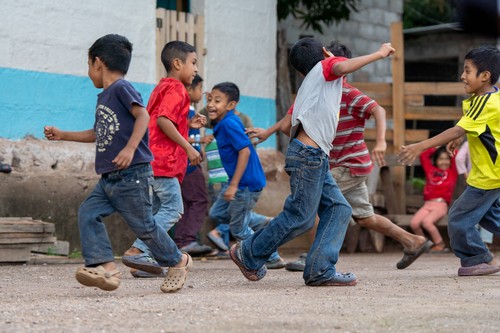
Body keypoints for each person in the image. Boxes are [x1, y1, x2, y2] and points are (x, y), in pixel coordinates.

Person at [230, 37, 395, 286]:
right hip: (310, 156)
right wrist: (379, 53)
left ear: (299, 70)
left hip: (312, 156)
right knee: (301, 217)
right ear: (327, 53)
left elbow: (287, 126)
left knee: (340, 209)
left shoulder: (312, 83)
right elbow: (340, 67)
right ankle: (249, 252)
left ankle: (320, 269)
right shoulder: (326, 67)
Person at [44, 34, 192, 293]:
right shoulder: (104, 97)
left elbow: (143, 116)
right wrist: (63, 134)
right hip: (109, 178)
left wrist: (130, 148)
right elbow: (97, 133)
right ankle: (105, 268)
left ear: (97, 62)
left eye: (88, 65)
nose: (89, 72)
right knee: (88, 213)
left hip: (132, 174)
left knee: (145, 226)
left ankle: (177, 261)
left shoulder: (121, 88)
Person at [272, 41, 432, 271]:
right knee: (365, 217)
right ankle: (412, 241)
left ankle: (312, 256)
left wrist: (380, 142)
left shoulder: (345, 91)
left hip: (349, 164)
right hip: (342, 164)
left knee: (315, 202)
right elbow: (287, 124)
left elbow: (378, 109)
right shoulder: (318, 93)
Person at [399, 45, 500, 276]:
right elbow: (473, 123)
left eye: (467, 71)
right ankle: (478, 258)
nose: (462, 76)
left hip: (489, 176)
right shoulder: (487, 97)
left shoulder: (485, 103)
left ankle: (477, 259)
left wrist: (419, 146)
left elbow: (456, 130)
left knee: (458, 218)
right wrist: (464, 133)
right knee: (491, 218)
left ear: (484, 76)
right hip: (491, 173)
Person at [121, 40, 205, 279]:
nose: (196, 69)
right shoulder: (178, 89)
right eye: (193, 63)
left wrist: (188, 124)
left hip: (151, 160)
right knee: (173, 209)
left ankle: (144, 263)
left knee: (156, 212)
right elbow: (163, 122)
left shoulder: (161, 87)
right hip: (165, 163)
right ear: (177, 63)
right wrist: (189, 147)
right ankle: (138, 249)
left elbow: (159, 121)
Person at [205, 82, 285, 268]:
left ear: (231, 105)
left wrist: (233, 185)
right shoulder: (224, 121)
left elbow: (245, 152)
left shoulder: (229, 124)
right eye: (210, 99)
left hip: (245, 183)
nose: (210, 104)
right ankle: (264, 222)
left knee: (238, 228)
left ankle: (270, 256)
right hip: (240, 182)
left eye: (217, 100)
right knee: (217, 212)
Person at [173, 74, 213, 256]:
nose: (202, 92)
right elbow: (175, 134)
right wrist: (197, 142)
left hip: (189, 161)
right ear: (189, 89)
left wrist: (199, 147)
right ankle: (187, 239)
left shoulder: (189, 110)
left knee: (186, 203)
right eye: (199, 89)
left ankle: (181, 240)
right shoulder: (184, 109)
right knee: (199, 200)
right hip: (187, 165)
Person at [410, 146, 457, 253]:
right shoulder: (430, 169)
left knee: (427, 222)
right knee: (414, 223)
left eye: (446, 159)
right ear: (435, 161)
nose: (444, 162)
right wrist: (436, 147)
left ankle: (440, 244)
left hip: (441, 205)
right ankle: (423, 244)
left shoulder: (452, 172)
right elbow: (423, 155)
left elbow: (456, 155)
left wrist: (449, 147)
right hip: (427, 204)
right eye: (441, 159)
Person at [455, 140, 494, 245]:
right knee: (489, 211)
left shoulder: (470, 142)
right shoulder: (495, 140)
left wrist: (465, 174)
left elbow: (459, 158)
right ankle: (484, 243)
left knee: (472, 211)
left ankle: (473, 242)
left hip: (475, 181)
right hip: (493, 181)